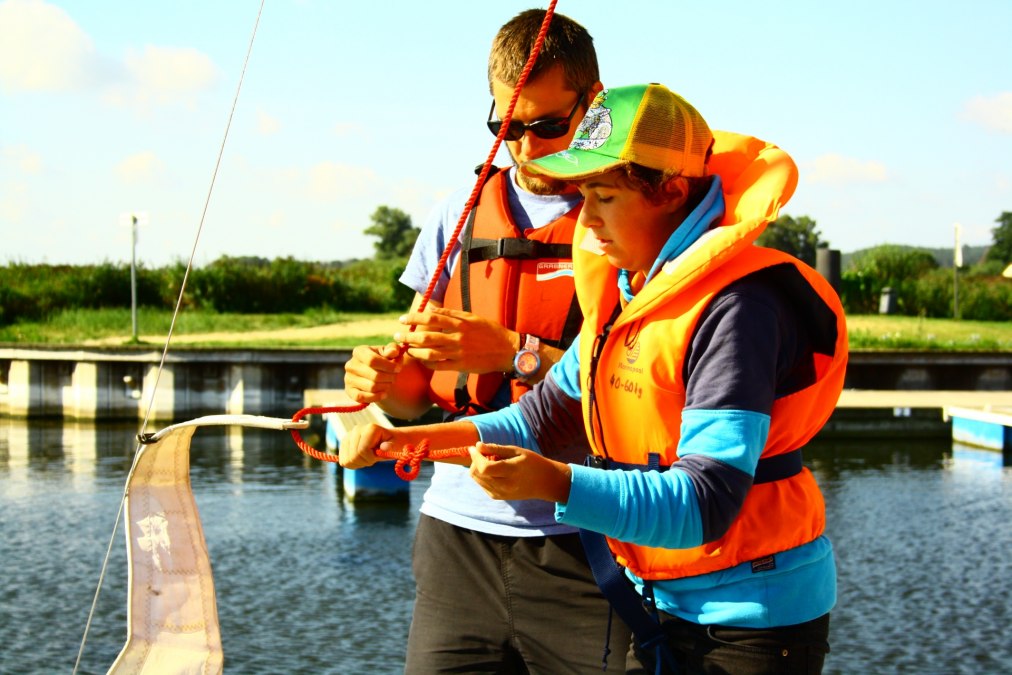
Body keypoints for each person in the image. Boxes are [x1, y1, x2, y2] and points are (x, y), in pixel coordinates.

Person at [342, 83, 849, 674]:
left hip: (753, 623)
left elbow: (706, 503)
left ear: (671, 192)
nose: (587, 221)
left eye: (603, 197)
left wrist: (557, 484)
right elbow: (539, 419)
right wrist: (409, 442)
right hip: (661, 603)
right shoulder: (626, 294)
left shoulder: (740, 307)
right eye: (583, 197)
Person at [342, 9, 628, 674]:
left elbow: (635, 394)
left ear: (593, 102)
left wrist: (513, 352)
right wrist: (380, 391)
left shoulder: (625, 218)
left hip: (584, 543)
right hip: (456, 542)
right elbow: (413, 394)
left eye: (548, 126)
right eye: (506, 127)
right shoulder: (456, 215)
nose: (523, 147)